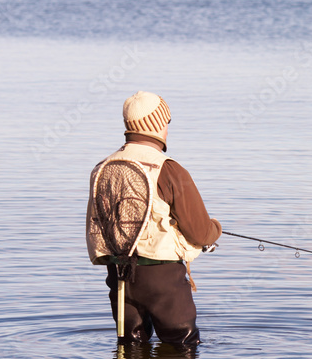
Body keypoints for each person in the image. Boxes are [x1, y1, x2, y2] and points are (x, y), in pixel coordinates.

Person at [86, 91, 221, 345]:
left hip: (119, 274)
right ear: (157, 125)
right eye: (166, 124)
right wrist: (216, 229)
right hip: (163, 278)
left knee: (130, 350)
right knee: (183, 348)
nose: (167, 130)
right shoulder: (168, 169)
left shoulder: (102, 167)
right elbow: (201, 232)